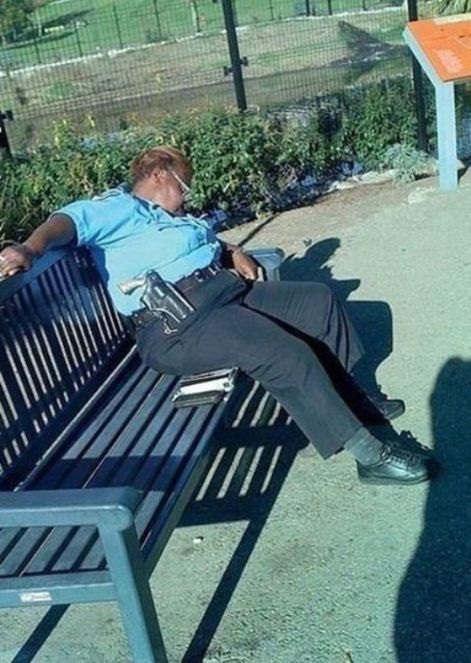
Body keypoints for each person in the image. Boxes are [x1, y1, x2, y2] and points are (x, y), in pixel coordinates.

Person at [0, 145, 439, 485]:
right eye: (183, 187)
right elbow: (69, 221)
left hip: (220, 294)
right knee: (281, 351)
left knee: (316, 302)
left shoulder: (169, 219)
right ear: (158, 174)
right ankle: (370, 456)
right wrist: (30, 248)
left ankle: (352, 402)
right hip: (177, 324)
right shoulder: (121, 209)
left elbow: (200, 241)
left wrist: (232, 250)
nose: (186, 197)